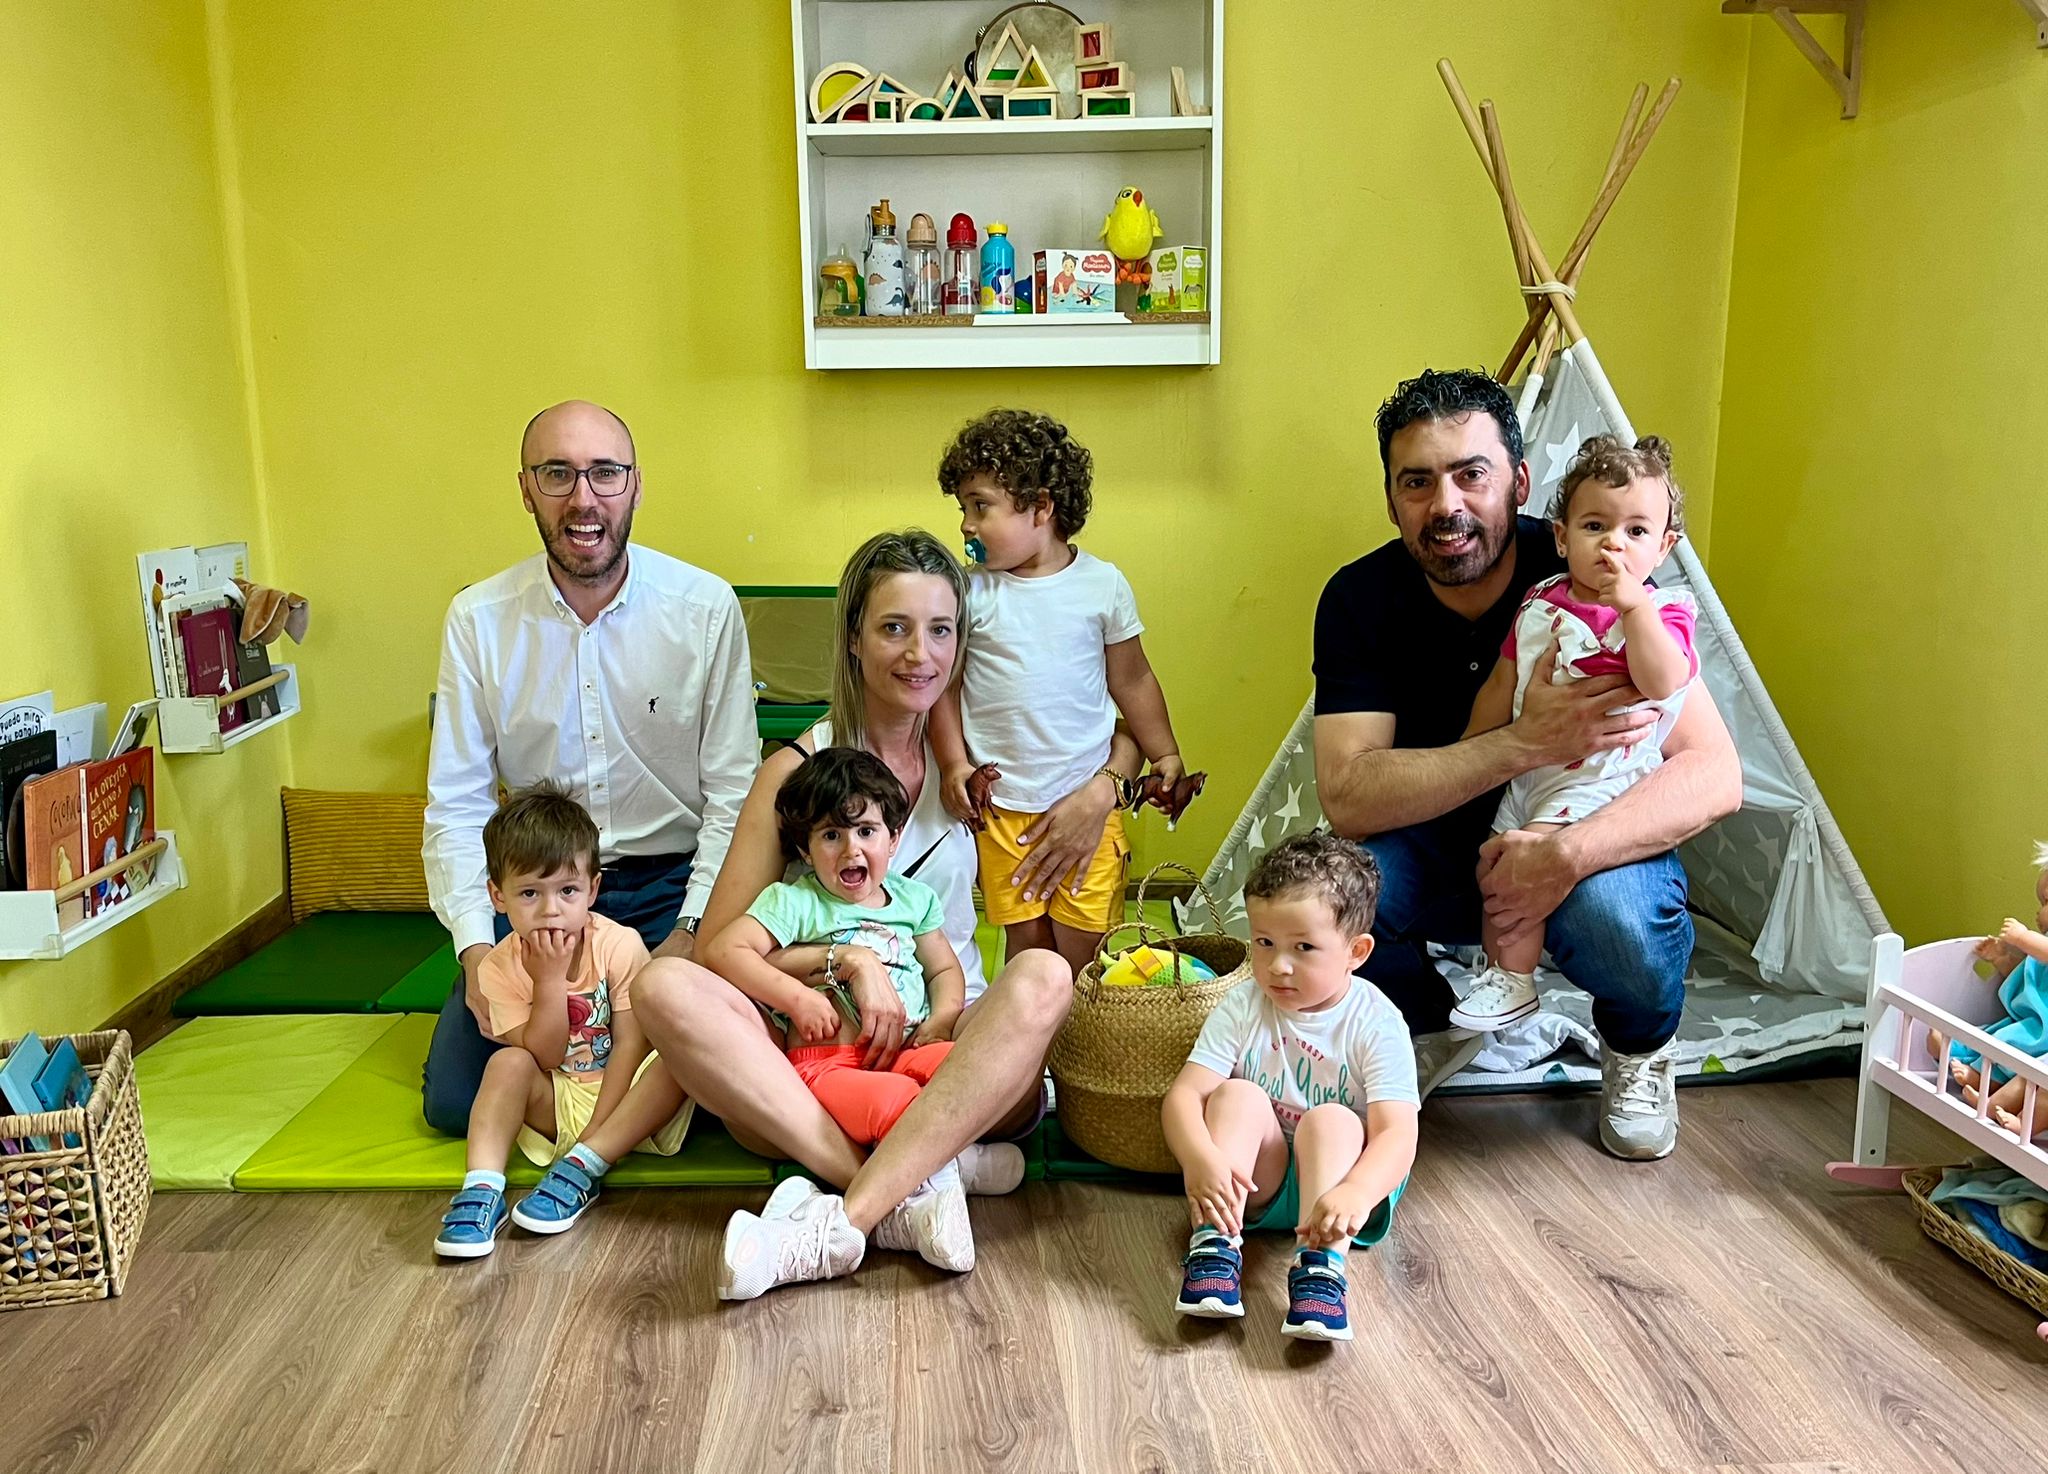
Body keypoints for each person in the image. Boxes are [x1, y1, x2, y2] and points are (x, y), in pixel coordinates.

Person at [632, 529, 1142, 1299]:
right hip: (817, 1065)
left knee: (1042, 974)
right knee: (662, 984)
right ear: (853, 637)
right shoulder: (795, 771)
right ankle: (903, 1193)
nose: (919, 654)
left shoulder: (976, 758)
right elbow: (719, 957)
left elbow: (1126, 737)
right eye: (894, 628)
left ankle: (849, 1212)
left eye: (941, 630)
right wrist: (845, 962)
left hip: (948, 1055)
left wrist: (1103, 791)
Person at [1312, 369, 1742, 1160]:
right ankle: (1426, 1024)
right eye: (1417, 481)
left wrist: (1566, 855)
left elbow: (1716, 774)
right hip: (1443, 843)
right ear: (1391, 499)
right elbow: (1348, 795)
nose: (1446, 505)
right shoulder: (1359, 598)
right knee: (1322, 899)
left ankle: (1638, 1049)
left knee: (1622, 922)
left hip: (1583, 824)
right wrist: (1524, 742)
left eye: (1470, 475)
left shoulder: (1603, 557)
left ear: (1519, 482)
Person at [420, 400, 758, 1136]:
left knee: (744, 1084)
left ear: (636, 485)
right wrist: (476, 950)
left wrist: (693, 929)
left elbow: (735, 792)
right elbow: (456, 805)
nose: (583, 498)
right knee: (454, 1100)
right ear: (525, 489)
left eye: (605, 473)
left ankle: (601, 1112)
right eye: (557, 474)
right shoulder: (479, 619)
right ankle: (620, 1108)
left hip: (674, 885)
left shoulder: (704, 607)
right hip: (542, 894)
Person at [929, 407, 1191, 975]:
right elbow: (944, 691)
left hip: (1084, 796)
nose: (966, 525)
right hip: (1002, 810)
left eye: (980, 506)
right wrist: (953, 765)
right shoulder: (969, 593)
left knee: (1084, 952)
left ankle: (1082, 1037)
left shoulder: (1102, 585)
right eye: (963, 509)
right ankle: (1028, 1036)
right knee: (1026, 950)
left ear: (1041, 507)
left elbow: (1133, 678)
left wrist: (1166, 752)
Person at [1453, 434, 1699, 1033]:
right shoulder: (1540, 598)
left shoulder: (1664, 612)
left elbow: (1664, 679)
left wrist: (1634, 611)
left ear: (1664, 547)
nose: (1614, 543)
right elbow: (1504, 680)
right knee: (1492, 865)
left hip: (1602, 778)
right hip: (1534, 776)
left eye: (1636, 531)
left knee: (1514, 866)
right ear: (1562, 537)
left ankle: (1514, 978)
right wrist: (1470, 749)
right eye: (1595, 526)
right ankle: (1503, 973)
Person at [1161, 833, 1419, 1342]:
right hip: (1258, 1181)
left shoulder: (1376, 1021)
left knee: (1334, 1120)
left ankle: (1321, 1270)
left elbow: (1398, 1134)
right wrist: (1199, 1158)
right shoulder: (1242, 1004)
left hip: (1341, 1190)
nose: (1278, 965)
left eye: (1303, 948)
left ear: (1356, 952)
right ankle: (1215, 1244)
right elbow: (1185, 1096)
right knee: (1234, 1095)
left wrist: (1356, 1191)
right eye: (1264, 943)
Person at [433, 785, 693, 1258]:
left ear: (593, 889)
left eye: (567, 891)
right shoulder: (498, 967)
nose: (551, 909)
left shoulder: (618, 944)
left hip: (635, 1103)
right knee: (507, 1063)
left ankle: (586, 1165)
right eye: (530, 893)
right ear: (498, 896)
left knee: (679, 1056)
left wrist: (595, 1134)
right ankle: (481, 1189)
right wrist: (549, 981)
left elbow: (632, 1044)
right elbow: (545, 1056)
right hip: (562, 1098)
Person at [705, 746, 972, 1149]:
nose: (852, 849)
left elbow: (944, 970)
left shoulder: (914, 900)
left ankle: (948, 1163)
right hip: (828, 1064)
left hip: (906, 1048)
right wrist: (797, 999)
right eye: (831, 835)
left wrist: (941, 1021)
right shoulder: (795, 901)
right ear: (805, 850)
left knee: (967, 1073)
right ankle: (955, 1167)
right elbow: (725, 951)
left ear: (893, 838)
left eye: (866, 831)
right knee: (894, 1101)